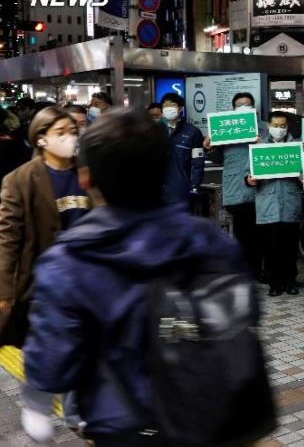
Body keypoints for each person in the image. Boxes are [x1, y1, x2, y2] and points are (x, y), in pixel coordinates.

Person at [23, 109, 273, 447]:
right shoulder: (210, 240)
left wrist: (37, 407)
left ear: (85, 178)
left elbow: (53, 363)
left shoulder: (68, 263)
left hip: (125, 428)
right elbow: (249, 313)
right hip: (216, 418)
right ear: (164, 167)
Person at [0, 106, 90, 441]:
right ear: (41, 138)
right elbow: (7, 238)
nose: (71, 137)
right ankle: (37, 399)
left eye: (73, 130)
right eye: (62, 132)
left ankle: (75, 412)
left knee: (83, 345)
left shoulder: (87, 173)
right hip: (43, 284)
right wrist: (5, 290)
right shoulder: (20, 179)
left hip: (85, 281)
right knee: (50, 347)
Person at [203, 93, 267, 282]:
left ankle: (261, 270)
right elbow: (216, 158)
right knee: (242, 232)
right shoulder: (225, 128)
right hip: (235, 188)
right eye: (239, 105)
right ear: (233, 110)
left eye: (247, 105)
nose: (243, 108)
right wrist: (209, 146)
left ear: (254, 108)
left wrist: (260, 142)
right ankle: (245, 271)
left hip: (260, 189)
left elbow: (274, 149)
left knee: (261, 232)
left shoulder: (263, 127)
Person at [246, 112, 303, 297]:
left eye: (282, 126)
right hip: (267, 203)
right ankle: (274, 282)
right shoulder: (259, 147)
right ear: (269, 126)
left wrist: (303, 177)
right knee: (270, 246)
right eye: (275, 125)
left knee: (290, 245)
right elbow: (248, 174)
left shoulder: (297, 147)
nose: (279, 129)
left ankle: (290, 281)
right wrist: (250, 180)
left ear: (287, 127)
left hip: (290, 201)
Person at [158, 93, 205, 206]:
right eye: (165, 106)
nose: (168, 108)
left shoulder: (192, 132)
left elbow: (197, 162)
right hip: (157, 190)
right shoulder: (153, 130)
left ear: (180, 108)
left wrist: (194, 185)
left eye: (172, 105)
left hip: (181, 190)